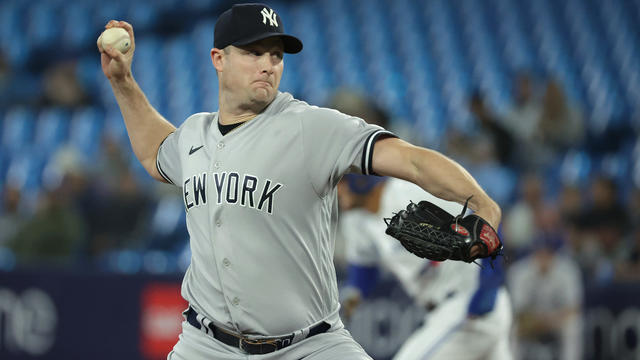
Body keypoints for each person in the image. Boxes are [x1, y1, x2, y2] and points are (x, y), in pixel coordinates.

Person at [98, 4, 502, 359]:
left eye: (276, 55)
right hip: (206, 346)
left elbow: (411, 160)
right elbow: (155, 152)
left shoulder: (313, 128)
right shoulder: (193, 136)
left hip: (309, 346)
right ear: (218, 58)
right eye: (253, 52)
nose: (268, 64)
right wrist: (122, 81)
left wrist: (481, 202)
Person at [338, 174, 513, 360]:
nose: (336, 191)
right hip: (444, 309)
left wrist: (488, 287)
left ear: (360, 179)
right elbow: (364, 271)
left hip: (468, 302)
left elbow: (485, 217)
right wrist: (350, 299)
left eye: (341, 182)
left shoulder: (408, 192)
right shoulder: (355, 221)